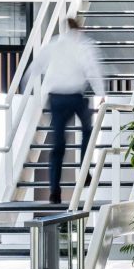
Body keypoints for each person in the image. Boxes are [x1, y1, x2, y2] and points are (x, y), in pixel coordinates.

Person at [29, 16, 105, 205]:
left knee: (58, 146)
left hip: (56, 99)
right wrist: (101, 93)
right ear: (79, 29)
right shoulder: (83, 45)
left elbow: (36, 66)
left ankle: (54, 190)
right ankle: (84, 168)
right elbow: (92, 69)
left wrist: (26, 90)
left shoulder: (54, 44)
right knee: (88, 130)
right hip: (75, 97)